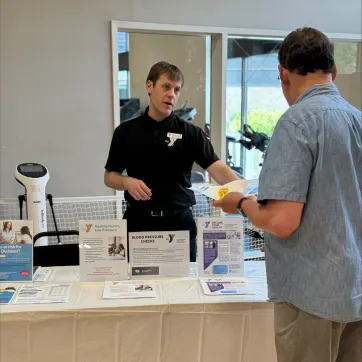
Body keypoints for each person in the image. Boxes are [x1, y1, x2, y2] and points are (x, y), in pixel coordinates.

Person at [213, 27, 362, 362]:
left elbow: (281, 221)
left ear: (282, 74)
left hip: (311, 295)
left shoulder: (296, 124)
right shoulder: (357, 121)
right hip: (355, 290)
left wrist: (240, 203)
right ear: (333, 72)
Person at [104, 61, 238, 262]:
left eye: (176, 90)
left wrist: (244, 196)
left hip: (179, 225)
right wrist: (126, 182)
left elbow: (218, 169)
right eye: (166, 87)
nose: (172, 95)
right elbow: (109, 176)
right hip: (138, 224)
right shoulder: (126, 132)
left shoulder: (191, 133)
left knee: (183, 288)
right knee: (137, 287)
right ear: (150, 86)